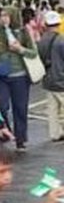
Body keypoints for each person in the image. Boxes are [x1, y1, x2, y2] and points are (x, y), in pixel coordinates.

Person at [0, 8, 40, 151]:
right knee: (1, 105)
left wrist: (20, 49)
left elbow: (33, 53)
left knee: (20, 108)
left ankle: (21, 139)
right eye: (2, 15)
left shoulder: (23, 32)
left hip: (20, 76)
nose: (4, 18)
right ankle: (6, 131)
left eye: (7, 15)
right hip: (1, 76)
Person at [38, 11, 64, 142]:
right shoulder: (61, 40)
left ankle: (55, 133)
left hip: (48, 79)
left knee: (52, 109)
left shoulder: (41, 40)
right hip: (61, 78)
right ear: (59, 23)